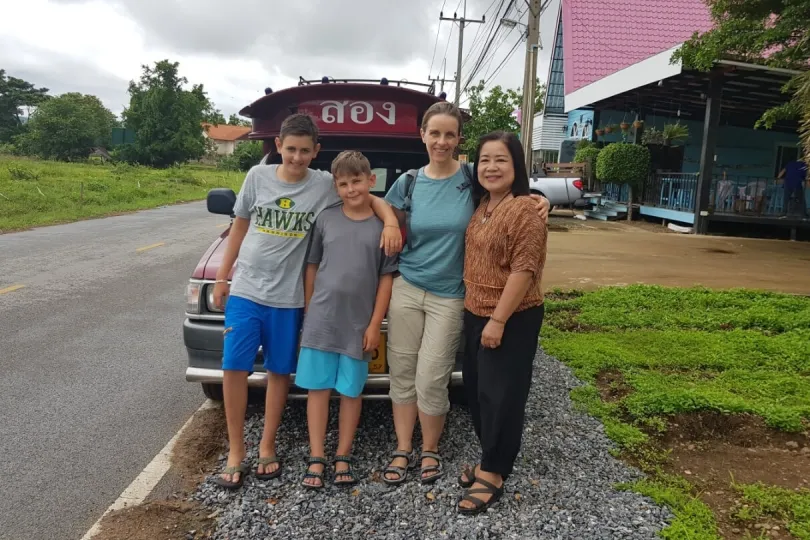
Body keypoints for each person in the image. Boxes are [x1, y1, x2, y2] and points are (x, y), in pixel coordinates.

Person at [210, 114, 401, 490]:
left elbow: (365, 195)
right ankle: (236, 452)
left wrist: (391, 221)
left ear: (316, 152)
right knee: (234, 367)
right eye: (290, 149)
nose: (297, 157)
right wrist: (222, 275)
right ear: (278, 145)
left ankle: (267, 446)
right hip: (247, 287)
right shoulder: (256, 176)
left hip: (289, 297)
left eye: (304, 150)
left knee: (280, 371)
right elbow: (239, 226)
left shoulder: (327, 183)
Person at [381, 101, 550, 486]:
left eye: (449, 134)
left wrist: (542, 200)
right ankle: (403, 448)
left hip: (451, 294)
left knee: (432, 377)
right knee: (403, 374)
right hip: (408, 287)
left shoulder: (473, 175)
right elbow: (376, 203)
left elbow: (511, 187)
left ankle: (430, 451)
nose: (441, 141)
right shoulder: (408, 181)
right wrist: (390, 220)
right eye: (434, 133)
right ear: (422, 134)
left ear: (459, 140)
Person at [457, 130, 547, 515]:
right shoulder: (484, 206)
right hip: (476, 312)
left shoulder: (524, 209)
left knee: (503, 397)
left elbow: (525, 269)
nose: (491, 167)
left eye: (501, 160)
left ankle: (494, 470)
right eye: (486, 160)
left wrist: (497, 321)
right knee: (477, 392)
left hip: (511, 316)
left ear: (517, 166)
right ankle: (488, 456)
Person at [295, 151, 398, 489]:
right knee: (318, 389)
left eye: (357, 181)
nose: (351, 189)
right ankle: (316, 456)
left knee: (352, 392)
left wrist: (374, 324)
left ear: (372, 180)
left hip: (359, 326)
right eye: (343, 183)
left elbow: (386, 279)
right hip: (322, 321)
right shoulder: (325, 219)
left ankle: (343, 455)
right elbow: (311, 267)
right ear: (335, 186)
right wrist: (310, 310)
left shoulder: (383, 226)